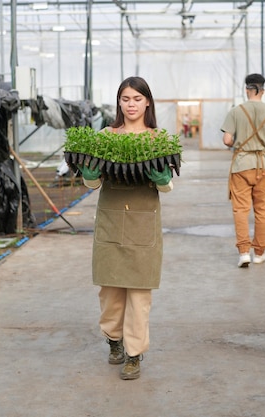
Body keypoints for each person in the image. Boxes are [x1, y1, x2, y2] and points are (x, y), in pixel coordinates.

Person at [76, 76, 173, 380]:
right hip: (110, 221)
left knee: (140, 294)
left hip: (144, 223)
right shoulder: (105, 136)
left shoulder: (158, 139)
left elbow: (167, 186)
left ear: (147, 102)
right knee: (110, 291)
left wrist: (161, 178)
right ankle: (113, 339)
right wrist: (89, 172)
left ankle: (134, 353)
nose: (131, 104)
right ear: (119, 102)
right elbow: (91, 183)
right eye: (126, 99)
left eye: (137, 99)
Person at [221, 73, 265, 268]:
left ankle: (243, 253)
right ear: (263, 91)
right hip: (264, 165)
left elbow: (227, 140)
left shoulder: (236, 111)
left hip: (241, 165)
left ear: (247, 90)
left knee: (240, 210)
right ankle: (259, 253)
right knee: (263, 211)